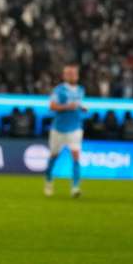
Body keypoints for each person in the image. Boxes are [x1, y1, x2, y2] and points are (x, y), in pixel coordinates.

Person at [44, 64, 87, 198]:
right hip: (59, 129)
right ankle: (49, 180)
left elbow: (77, 105)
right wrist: (68, 106)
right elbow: (52, 106)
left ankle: (75, 187)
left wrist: (82, 108)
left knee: (76, 155)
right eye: (69, 73)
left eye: (74, 73)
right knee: (54, 156)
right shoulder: (59, 90)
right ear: (64, 76)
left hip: (75, 128)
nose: (72, 75)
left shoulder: (81, 90)